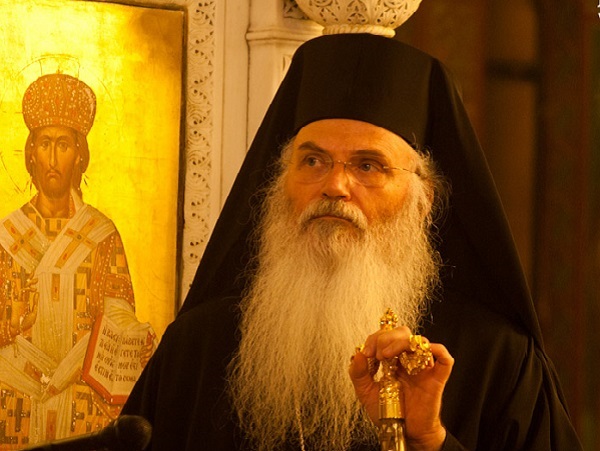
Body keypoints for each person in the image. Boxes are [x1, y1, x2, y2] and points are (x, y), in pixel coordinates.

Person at [122, 33, 583, 450]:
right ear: (280, 184)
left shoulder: (498, 361)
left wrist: (430, 442)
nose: (335, 186)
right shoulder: (197, 348)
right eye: (313, 161)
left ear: (422, 202)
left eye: (368, 166)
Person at [0, 73, 149, 448]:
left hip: (82, 399)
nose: (52, 159)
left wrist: (136, 335)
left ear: (80, 154)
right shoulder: (6, 236)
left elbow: (118, 313)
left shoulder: (101, 234)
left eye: (63, 145)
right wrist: (11, 322)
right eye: (44, 144)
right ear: (31, 153)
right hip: (14, 398)